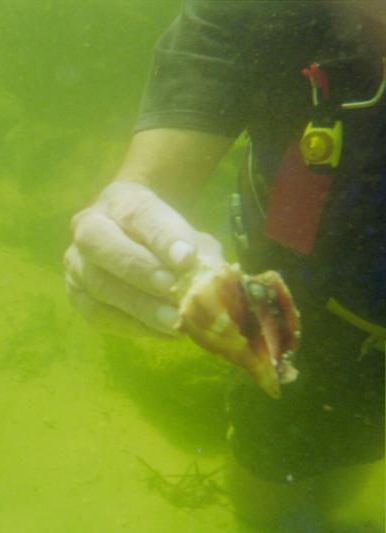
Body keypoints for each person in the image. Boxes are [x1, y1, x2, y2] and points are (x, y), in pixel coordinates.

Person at [65, 1, 385, 528]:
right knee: (291, 469)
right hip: (304, 321)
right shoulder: (254, 11)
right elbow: (147, 190)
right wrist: (120, 235)